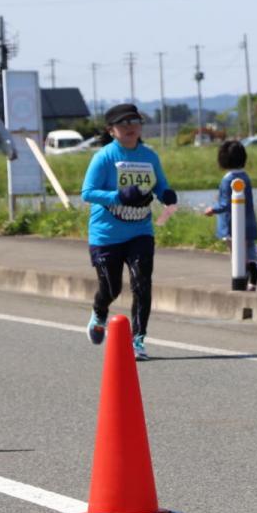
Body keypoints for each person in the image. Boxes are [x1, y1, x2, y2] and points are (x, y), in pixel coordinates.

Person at [80, 103, 178, 361]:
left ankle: (138, 340)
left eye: (135, 122)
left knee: (142, 283)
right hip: (107, 234)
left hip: (140, 230)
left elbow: (160, 185)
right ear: (111, 130)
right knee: (112, 288)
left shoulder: (149, 156)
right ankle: (99, 311)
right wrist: (119, 196)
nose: (130, 127)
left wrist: (165, 194)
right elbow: (87, 193)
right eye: (123, 123)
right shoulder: (104, 157)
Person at [203, 140, 257, 291]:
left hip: (232, 225)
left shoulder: (228, 179)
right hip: (249, 223)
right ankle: (252, 277)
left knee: (236, 254)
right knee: (248, 252)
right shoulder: (245, 176)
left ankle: (243, 278)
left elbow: (225, 204)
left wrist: (211, 209)